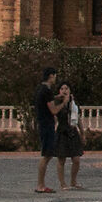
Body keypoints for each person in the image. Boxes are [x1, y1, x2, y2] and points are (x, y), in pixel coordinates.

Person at [33, 64, 63, 193]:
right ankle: (40, 185)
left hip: (43, 123)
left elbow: (47, 101)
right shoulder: (46, 91)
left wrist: (56, 98)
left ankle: (41, 184)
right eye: (55, 76)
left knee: (48, 154)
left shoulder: (41, 89)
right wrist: (64, 102)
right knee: (46, 155)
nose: (55, 79)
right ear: (51, 76)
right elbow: (54, 110)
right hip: (47, 125)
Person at [55, 81, 86, 190]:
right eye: (62, 89)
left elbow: (78, 119)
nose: (64, 91)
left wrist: (82, 133)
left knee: (76, 159)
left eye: (66, 88)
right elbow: (54, 116)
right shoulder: (57, 102)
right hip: (62, 131)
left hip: (72, 132)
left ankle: (73, 181)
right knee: (61, 159)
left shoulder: (73, 104)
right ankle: (62, 183)